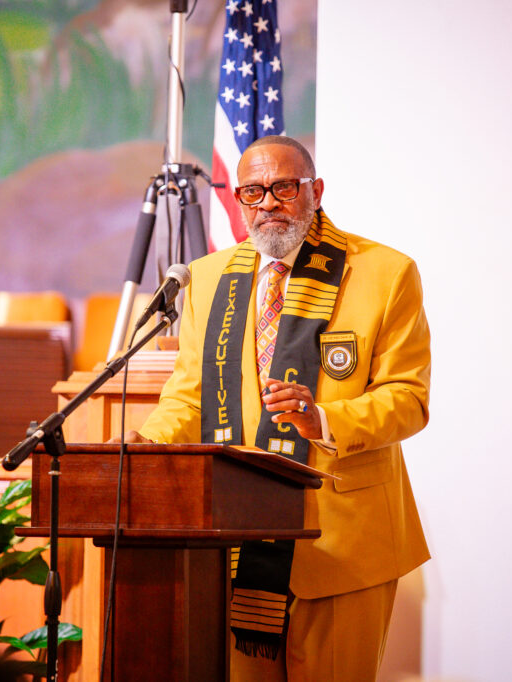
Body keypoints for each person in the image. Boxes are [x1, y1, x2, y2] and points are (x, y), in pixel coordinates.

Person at [120, 135, 431, 681]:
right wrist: (148, 445)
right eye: (253, 191)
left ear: (315, 190)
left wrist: (324, 419)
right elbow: (189, 395)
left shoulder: (386, 273)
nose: (268, 203)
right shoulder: (208, 279)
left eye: (284, 187)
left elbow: (408, 398)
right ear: (238, 199)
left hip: (343, 542)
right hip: (237, 539)